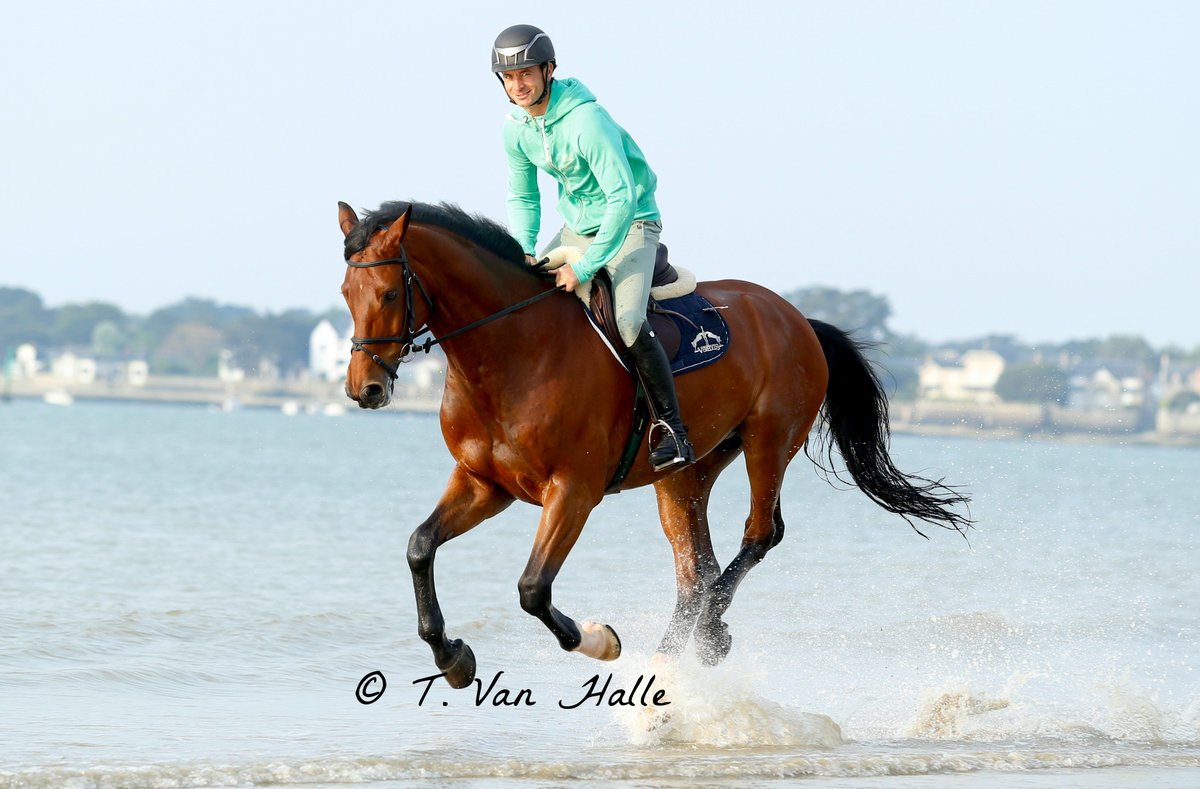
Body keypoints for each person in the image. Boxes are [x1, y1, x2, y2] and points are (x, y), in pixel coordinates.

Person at [492, 24, 694, 471]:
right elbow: (523, 196)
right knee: (520, 300)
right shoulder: (516, 129)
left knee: (626, 320)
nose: (518, 85)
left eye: (526, 73)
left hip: (632, 223)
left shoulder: (587, 120)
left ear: (548, 70)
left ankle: (673, 431)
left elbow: (622, 197)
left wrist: (584, 269)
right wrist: (524, 249)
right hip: (576, 228)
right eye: (509, 78)